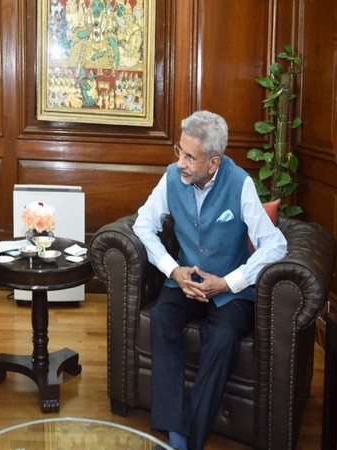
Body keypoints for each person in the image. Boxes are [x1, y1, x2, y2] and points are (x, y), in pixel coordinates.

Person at [132, 110, 287, 450]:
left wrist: (229, 282)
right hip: (185, 280)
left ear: (213, 162)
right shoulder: (172, 177)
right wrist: (173, 269)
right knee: (161, 318)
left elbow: (275, 244)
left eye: (190, 157)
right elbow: (143, 224)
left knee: (223, 338)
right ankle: (174, 428)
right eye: (180, 151)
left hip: (231, 289)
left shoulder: (239, 183)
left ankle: (192, 437)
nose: (181, 163)